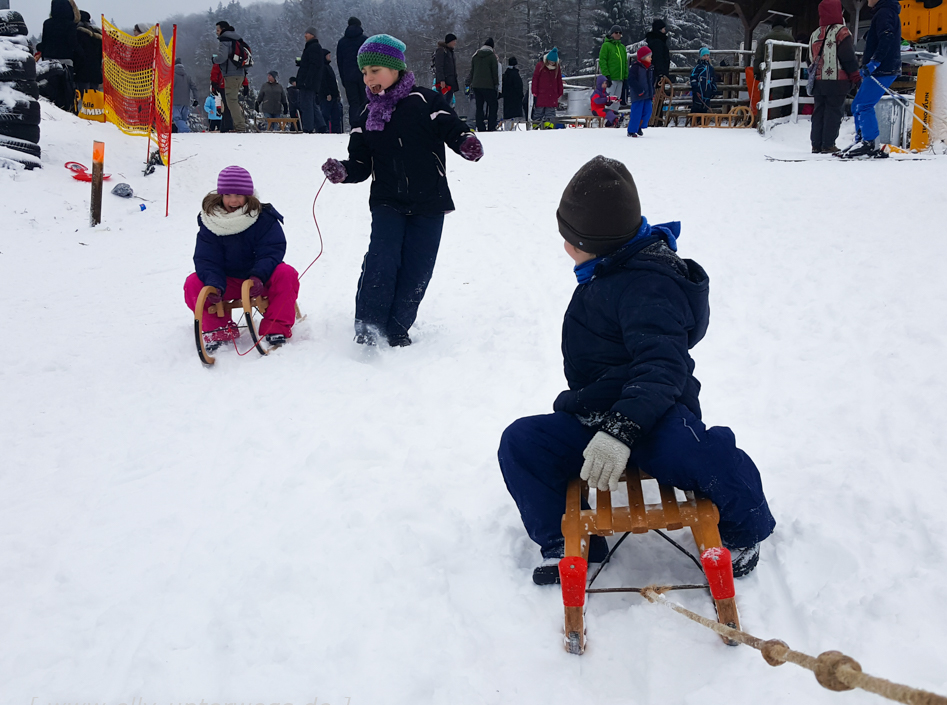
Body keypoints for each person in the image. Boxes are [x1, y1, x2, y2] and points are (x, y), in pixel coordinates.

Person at [498, 156, 775, 585]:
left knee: (696, 452)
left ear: (598, 243)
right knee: (523, 442)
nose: (565, 247)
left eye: (571, 240)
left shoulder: (650, 285)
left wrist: (623, 428)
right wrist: (603, 422)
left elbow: (663, 365)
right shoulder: (610, 269)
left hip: (656, 412)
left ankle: (746, 523)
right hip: (597, 410)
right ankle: (569, 543)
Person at [319, 34, 484, 348]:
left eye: (375, 70)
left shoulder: (426, 100)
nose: (368, 78)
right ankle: (369, 323)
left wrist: (465, 141)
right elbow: (360, 163)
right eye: (364, 73)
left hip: (430, 201)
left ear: (395, 68)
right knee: (382, 260)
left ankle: (397, 326)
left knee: (417, 267)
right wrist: (343, 170)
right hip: (388, 202)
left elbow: (451, 126)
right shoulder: (365, 117)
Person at [183, 166, 300, 350]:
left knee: (286, 273)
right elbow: (206, 258)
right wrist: (214, 283)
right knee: (193, 283)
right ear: (220, 195)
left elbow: (272, 250)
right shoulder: (210, 221)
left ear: (248, 195)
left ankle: (276, 327)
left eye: (239, 195)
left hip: (259, 278)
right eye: (228, 195)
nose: (233, 200)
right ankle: (218, 328)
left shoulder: (263, 217)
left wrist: (258, 276)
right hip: (226, 280)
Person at [839, 0, 901, 158]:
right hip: (879, 68)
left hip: (883, 69)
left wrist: (875, 62)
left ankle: (870, 143)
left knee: (864, 105)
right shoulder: (884, 12)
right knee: (857, 105)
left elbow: (887, 37)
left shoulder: (884, 12)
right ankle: (862, 140)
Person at [809, 0, 861, 153]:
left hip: (818, 81)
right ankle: (828, 144)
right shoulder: (842, 32)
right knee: (833, 112)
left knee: (819, 112)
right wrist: (855, 76)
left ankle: (816, 144)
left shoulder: (815, 33)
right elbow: (848, 57)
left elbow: (808, 59)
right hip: (837, 81)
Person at [37, 0, 79, 112]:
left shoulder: (47, 23)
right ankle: (66, 110)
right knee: (66, 90)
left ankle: (52, 111)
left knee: (51, 89)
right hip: (66, 61)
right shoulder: (71, 25)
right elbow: (73, 44)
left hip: (49, 61)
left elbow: (44, 41)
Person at [753, 17, 796, 120]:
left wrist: (757, 72)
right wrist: (790, 72)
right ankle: (774, 120)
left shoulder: (765, 38)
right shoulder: (790, 39)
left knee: (764, 97)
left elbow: (758, 56)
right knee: (777, 98)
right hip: (782, 74)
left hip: (766, 73)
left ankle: (760, 119)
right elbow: (793, 57)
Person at [215, 20, 248, 132]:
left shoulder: (225, 40)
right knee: (233, 99)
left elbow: (222, 57)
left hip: (231, 74)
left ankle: (240, 126)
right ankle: (239, 125)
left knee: (231, 100)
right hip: (240, 73)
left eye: (218, 30)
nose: (216, 32)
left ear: (223, 29)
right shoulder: (238, 39)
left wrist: (214, 60)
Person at [336, 17, 368, 128]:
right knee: (365, 100)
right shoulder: (365, 40)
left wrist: (343, 79)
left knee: (353, 103)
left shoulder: (342, 42)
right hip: (364, 75)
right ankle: (365, 124)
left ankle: (355, 125)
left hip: (348, 76)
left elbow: (340, 62)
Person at [297, 27, 327, 133]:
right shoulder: (313, 47)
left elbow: (314, 65)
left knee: (306, 105)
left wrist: (307, 80)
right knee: (312, 105)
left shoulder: (313, 47)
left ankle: (308, 128)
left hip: (308, 82)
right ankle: (321, 126)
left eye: (307, 33)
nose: (305, 35)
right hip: (310, 82)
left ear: (312, 35)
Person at [470, 37, 499, 132]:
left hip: (476, 85)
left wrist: (470, 82)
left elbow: (472, 71)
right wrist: (496, 84)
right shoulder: (492, 56)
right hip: (488, 85)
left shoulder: (475, 56)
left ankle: (480, 126)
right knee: (493, 105)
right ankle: (491, 126)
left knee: (479, 106)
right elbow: (494, 72)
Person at [530, 48, 563, 129]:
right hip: (541, 93)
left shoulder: (557, 68)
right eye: (550, 62)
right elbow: (535, 78)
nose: (551, 64)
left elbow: (559, 80)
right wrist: (534, 90)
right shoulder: (540, 66)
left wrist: (560, 91)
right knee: (539, 111)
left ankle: (549, 127)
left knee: (550, 112)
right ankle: (536, 125)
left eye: (553, 62)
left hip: (552, 93)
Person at [627, 45, 654, 137]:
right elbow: (631, 80)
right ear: (643, 57)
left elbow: (650, 82)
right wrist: (639, 90)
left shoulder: (649, 68)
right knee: (636, 113)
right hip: (638, 95)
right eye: (649, 57)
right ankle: (631, 130)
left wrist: (652, 93)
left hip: (647, 95)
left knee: (648, 111)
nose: (651, 59)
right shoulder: (636, 67)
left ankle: (639, 126)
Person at [598, 25, 628, 110]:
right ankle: (607, 119)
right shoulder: (606, 46)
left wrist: (625, 77)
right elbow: (602, 61)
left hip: (620, 78)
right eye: (616, 32)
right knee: (609, 100)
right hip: (611, 78)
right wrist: (606, 75)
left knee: (617, 101)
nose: (618, 34)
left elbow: (625, 63)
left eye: (620, 33)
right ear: (611, 34)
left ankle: (614, 119)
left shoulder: (622, 47)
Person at [73, 10, 103, 94]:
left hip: (82, 72)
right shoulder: (98, 34)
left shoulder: (78, 32)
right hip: (95, 71)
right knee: (93, 101)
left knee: (83, 101)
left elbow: (78, 53)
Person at [171, 58, 198, 133]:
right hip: (186, 102)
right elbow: (194, 88)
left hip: (175, 101)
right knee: (183, 119)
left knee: (177, 119)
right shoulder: (188, 77)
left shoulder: (172, 76)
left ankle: (186, 131)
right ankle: (182, 134)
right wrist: (196, 99)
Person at [434, 33, 459, 106]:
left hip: (451, 82)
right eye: (453, 41)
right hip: (445, 82)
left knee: (448, 102)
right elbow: (439, 66)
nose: (455, 43)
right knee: (443, 102)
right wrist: (442, 80)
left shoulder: (450, 52)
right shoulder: (441, 51)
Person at [690, 47, 718, 114]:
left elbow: (713, 79)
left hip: (707, 93)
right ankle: (695, 123)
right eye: (704, 55)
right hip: (698, 93)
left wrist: (714, 89)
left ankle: (703, 123)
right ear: (701, 56)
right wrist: (696, 89)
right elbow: (693, 78)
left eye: (707, 55)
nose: (706, 57)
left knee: (705, 109)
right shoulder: (698, 67)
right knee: (696, 109)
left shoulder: (711, 69)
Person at [321, 50, 343, 133]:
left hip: (334, 96)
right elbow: (323, 82)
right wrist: (327, 93)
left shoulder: (328, 67)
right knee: (326, 115)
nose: (329, 57)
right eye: (328, 55)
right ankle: (325, 131)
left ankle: (336, 131)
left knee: (336, 116)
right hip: (327, 96)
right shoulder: (323, 68)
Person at [645, 18, 671, 87]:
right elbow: (658, 58)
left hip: (657, 72)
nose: (665, 30)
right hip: (658, 73)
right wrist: (661, 73)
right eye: (663, 28)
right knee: (658, 92)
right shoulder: (657, 43)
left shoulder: (656, 41)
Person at [501, 57, 524, 129]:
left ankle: (507, 128)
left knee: (508, 116)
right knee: (514, 117)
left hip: (507, 99)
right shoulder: (516, 74)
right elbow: (519, 86)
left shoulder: (506, 74)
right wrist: (521, 96)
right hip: (515, 99)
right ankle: (512, 129)